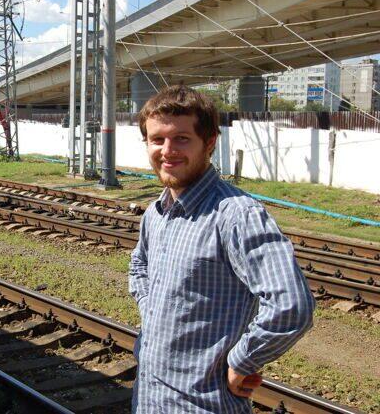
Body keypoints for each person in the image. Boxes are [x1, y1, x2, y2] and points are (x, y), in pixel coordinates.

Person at [129, 85, 315, 413]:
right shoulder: (156, 212)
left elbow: (292, 306)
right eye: (157, 139)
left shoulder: (236, 215)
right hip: (150, 396)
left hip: (202, 404)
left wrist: (244, 360)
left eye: (182, 138)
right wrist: (154, 313)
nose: (167, 150)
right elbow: (139, 266)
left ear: (210, 142)